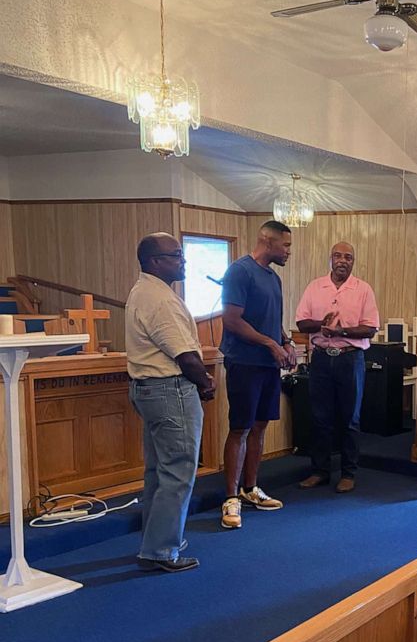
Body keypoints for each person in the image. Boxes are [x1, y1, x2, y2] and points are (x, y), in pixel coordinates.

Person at [126, 233, 216, 573]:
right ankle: (162, 551)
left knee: (158, 472)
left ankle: (156, 542)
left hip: (148, 389)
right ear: (154, 261)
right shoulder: (159, 300)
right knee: (178, 471)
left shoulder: (144, 291)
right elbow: (185, 356)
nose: (183, 261)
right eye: (176, 255)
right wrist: (206, 383)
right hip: (169, 390)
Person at [219, 220, 296, 530]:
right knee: (240, 428)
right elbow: (232, 320)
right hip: (244, 362)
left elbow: (271, 321)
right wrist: (269, 344)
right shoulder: (240, 271)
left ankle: (250, 489)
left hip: (268, 365)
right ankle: (230, 498)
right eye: (286, 246)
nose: (289, 252)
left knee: (261, 426)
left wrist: (286, 342)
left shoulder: (273, 279)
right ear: (267, 241)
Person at [295, 242, 380, 493]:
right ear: (330, 259)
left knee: (350, 419)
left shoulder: (363, 289)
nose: (343, 261)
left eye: (348, 257)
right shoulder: (314, 287)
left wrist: (341, 331)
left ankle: (348, 473)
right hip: (321, 359)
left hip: (350, 359)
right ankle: (319, 471)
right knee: (320, 417)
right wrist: (322, 325)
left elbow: (371, 328)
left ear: (353, 262)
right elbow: (301, 323)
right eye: (337, 256)